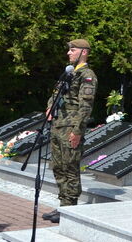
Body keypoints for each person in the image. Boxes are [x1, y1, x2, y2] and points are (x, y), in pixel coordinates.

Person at [42, 38, 98, 224]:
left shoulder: (87, 75)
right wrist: (50, 107)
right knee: (58, 166)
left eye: (72, 50)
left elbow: (85, 106)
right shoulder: (68, 73)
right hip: (58, 125)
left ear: (83, 52)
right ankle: (62, 204)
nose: (69, 53)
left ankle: (69, 208)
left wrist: (78, 131)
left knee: (70, 167)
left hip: (71, 127)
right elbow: (55, 94)